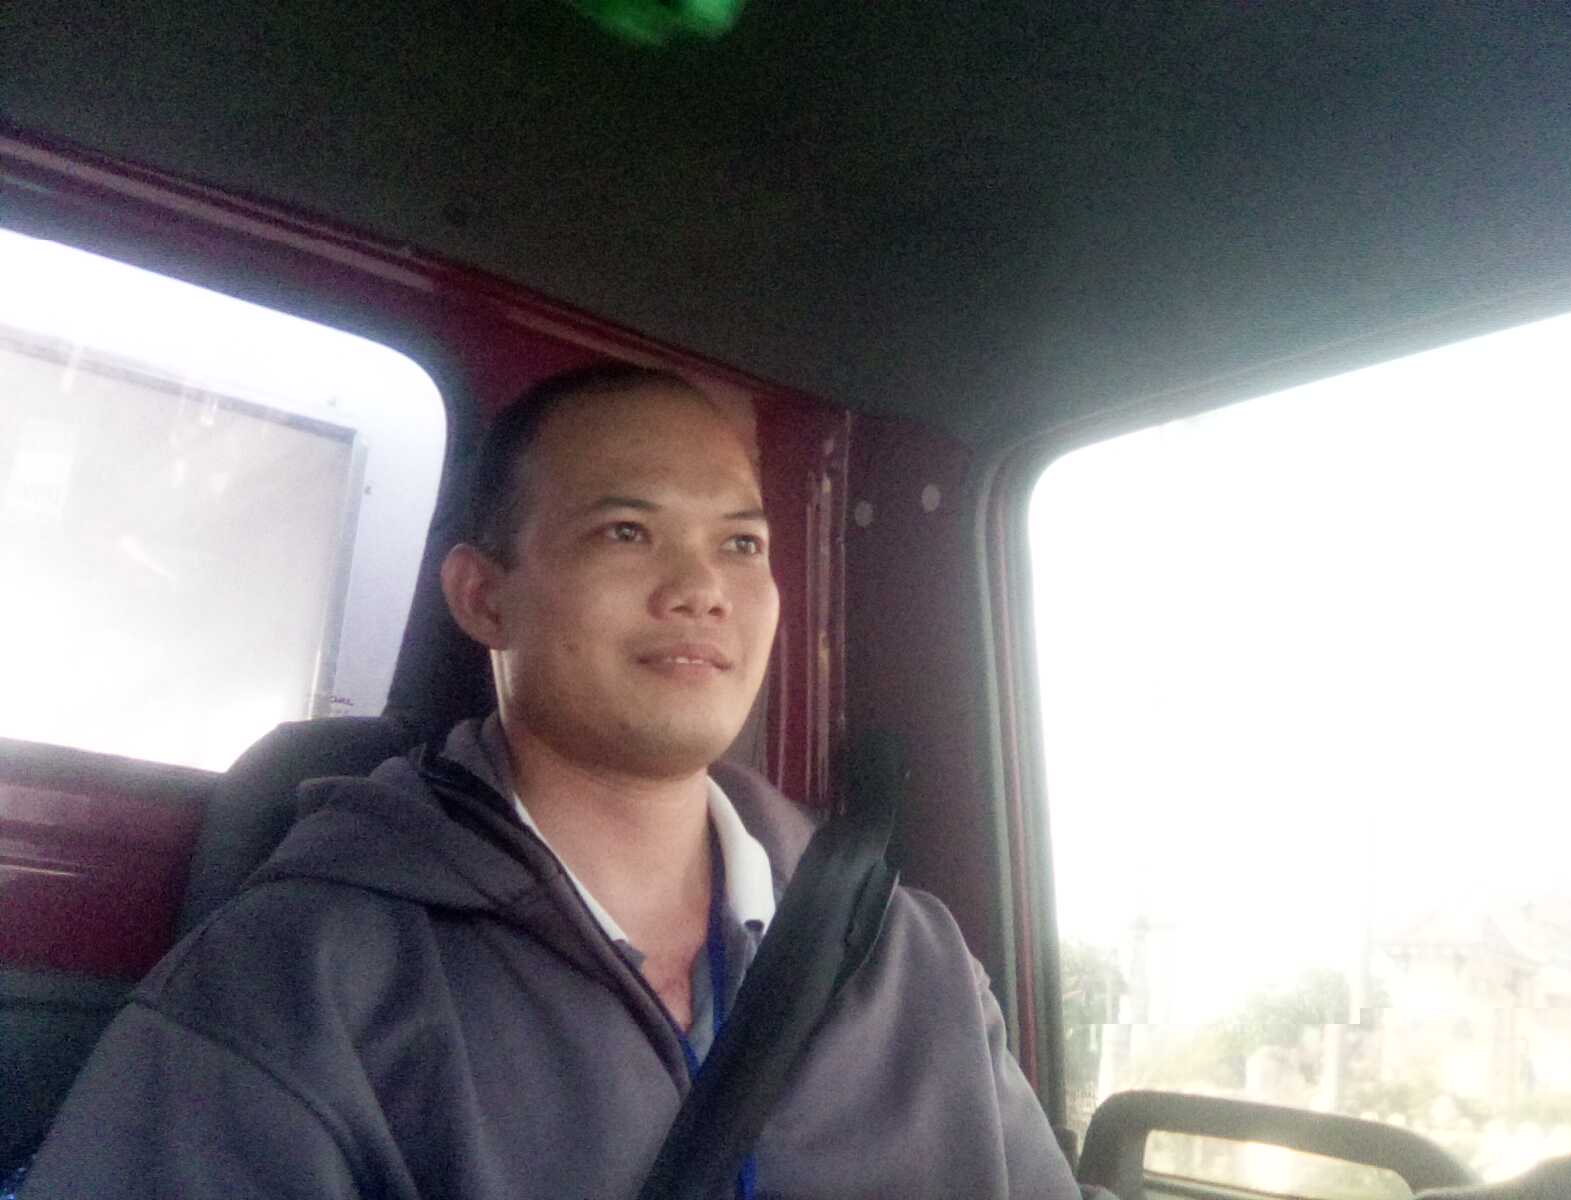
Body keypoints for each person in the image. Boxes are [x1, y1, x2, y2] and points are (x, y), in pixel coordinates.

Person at [22, 365, 1089, 1198]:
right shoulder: (301, 975)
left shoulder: (910, 960)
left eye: (741, 544)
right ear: (484, 598)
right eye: (628, 532)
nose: (702, 588)